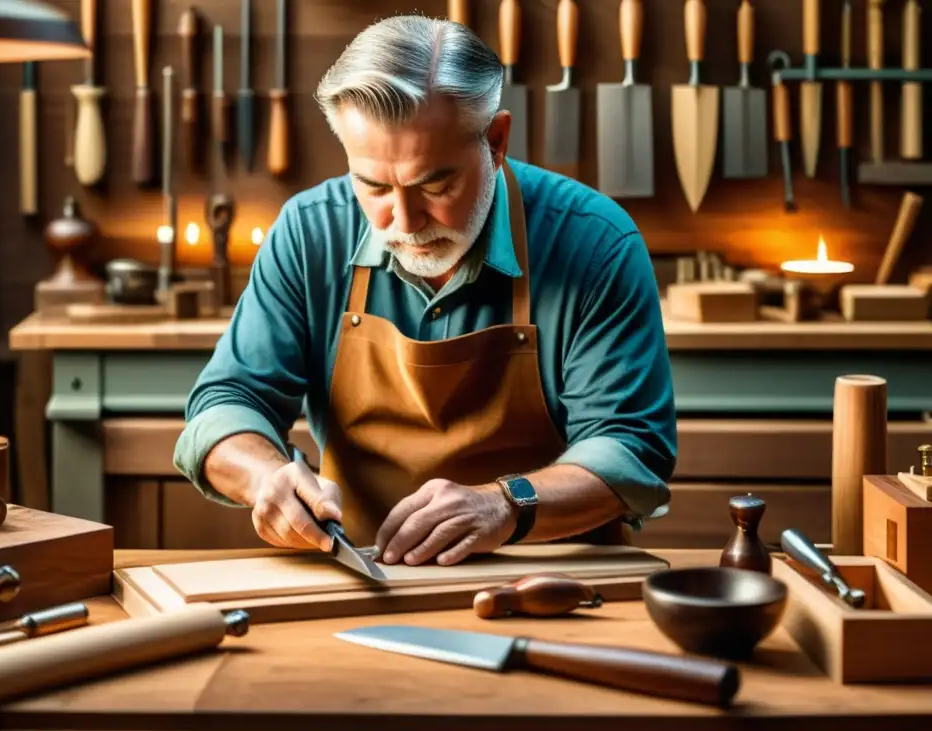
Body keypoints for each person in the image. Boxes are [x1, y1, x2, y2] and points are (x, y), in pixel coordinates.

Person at [174, 14, 676, 567]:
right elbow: (225, 405)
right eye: (372, 186)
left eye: (436, 184)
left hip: (553, 580)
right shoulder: (307, 231)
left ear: (497, 140)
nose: (406, 222)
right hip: (364, 576)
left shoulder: (594, 240)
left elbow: (631, 448)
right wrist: (265, 476)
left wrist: (505, 505)